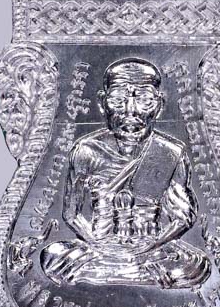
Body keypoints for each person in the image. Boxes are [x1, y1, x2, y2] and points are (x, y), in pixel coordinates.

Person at [40, 58, 210, 288]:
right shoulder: (87, 150)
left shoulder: (170, 152)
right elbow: (71, 214)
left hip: (150, 248)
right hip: (100, 246)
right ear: (103, 103)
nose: (131, 111)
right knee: (53, 256)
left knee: (195, 265)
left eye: (144, 100)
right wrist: (96, 242)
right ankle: (131, 273)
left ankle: (112, 274)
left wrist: (150, 246)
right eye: (118, 100)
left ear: (159, 104)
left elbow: (183, 218)